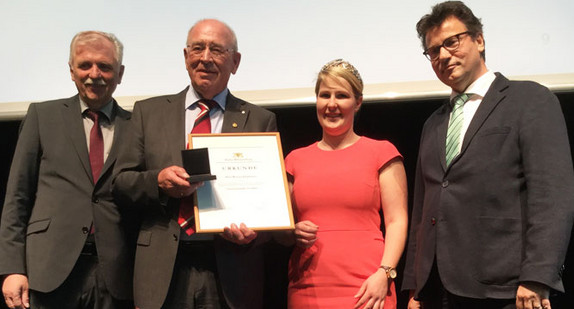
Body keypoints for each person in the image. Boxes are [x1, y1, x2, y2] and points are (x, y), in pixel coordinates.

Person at [402, 2, 574, 309]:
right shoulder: (433, 123)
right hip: (438, 292)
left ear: (479, 40)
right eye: (433, 51)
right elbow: (422, 208)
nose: (442, 55)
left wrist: (537, 276)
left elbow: (552, 196)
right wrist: (416, 286)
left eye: (451, 42)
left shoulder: (530, 100)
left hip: (506, 290)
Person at [112, 19, 277, 309]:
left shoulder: (259, 119)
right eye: (197, 48)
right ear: (186, 57)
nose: (205, 58)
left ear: (235, 61)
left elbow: (269, 198)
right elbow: (121, 183)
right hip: (162, 269)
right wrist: (158, 182)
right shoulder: (148, 112)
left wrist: (255, 233)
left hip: (229, 269)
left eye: (217, 50)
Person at [0, 31, 134, 308]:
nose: (94, 74)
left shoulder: (137, 126)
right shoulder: (42, 116)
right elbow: (17, 197)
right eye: (85, 65)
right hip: (49, 268)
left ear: (119, 73)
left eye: (105, 66)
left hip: (116, 272)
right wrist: (13, 268)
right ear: (71, 71)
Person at [282, 59, 408, 309]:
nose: (331, 104)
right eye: (324, 95)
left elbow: (397, 221)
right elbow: (280, 228)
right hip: (307, 289)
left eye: (341, 96)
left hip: (368, 288)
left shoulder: (381, 152)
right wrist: (291, 231)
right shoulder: (294, 160)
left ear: (358, 102)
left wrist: (385, 273)